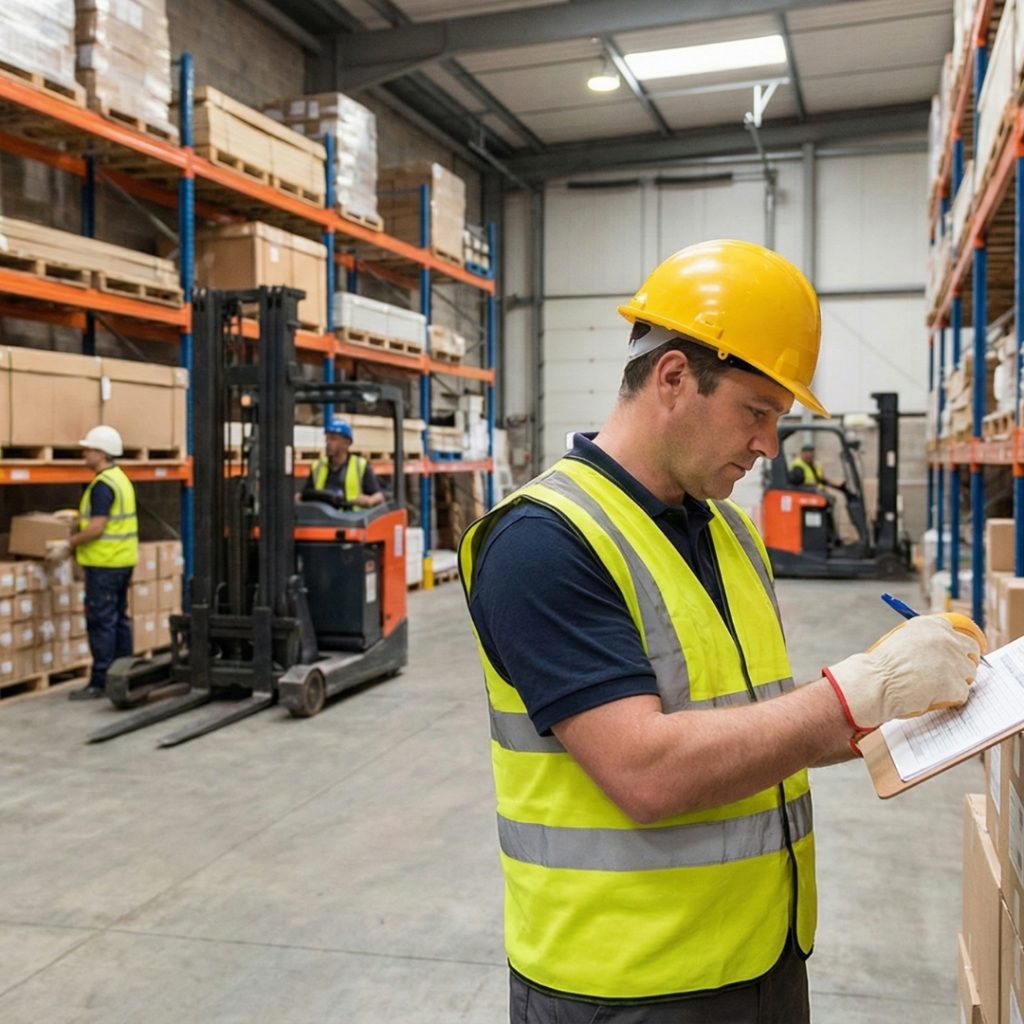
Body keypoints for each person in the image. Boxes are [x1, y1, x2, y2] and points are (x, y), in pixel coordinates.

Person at [458, 239, 984, 1023]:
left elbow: (757, 720)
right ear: (673, 377)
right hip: (626, 987)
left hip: (762, 958)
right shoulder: (542, 541)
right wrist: (852, 695)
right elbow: (647, 772)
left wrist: (899, 701)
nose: (769, 443)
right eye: (758, 411)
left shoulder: (729, 534)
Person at [47, 425, 138, 701]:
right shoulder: (119, 479)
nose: (84, 454)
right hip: (123, 561)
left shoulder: (102, 485)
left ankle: (100, 681)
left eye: (88, 449)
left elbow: (98, 527)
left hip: (104, 564)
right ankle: (124, 673)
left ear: (101, 453)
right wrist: (77, 516)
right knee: (119, 619)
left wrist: (68, 543)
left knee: (101, 622)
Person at [302, 417, 384, 508]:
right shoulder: (317, 466)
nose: (328, 442)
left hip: (350, 518)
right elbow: (307, 494)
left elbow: (378, 496)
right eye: (327, 438)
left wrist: (369, 500)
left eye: (333, 439)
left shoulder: (360, 466)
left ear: (347, 443)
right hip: (322, 517)